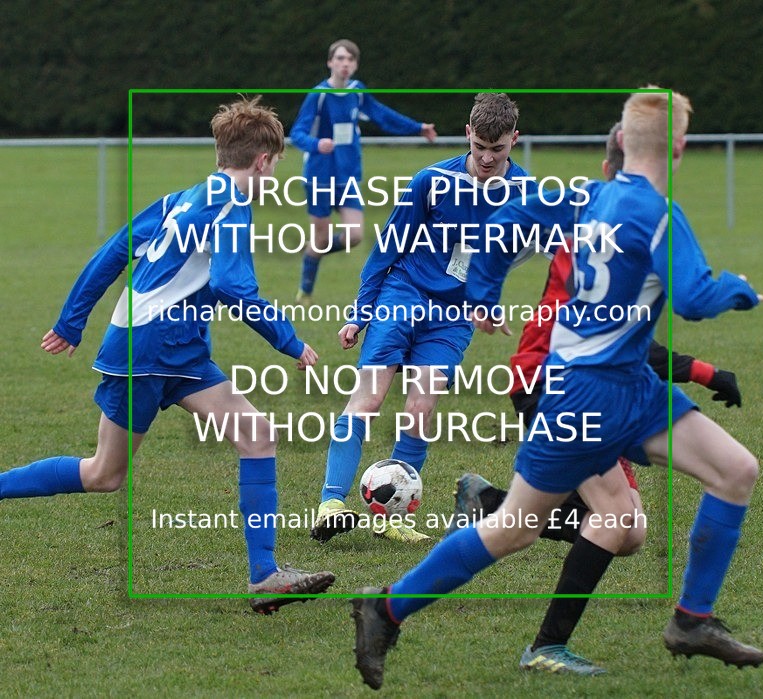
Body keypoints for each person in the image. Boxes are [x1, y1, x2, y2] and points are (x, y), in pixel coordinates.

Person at [350, 88, 763, 690]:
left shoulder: (583, 197)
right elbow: (698, 299)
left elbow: (502, 228)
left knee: (735, 471)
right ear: (678, 147)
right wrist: (741, 289)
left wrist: (482, 295)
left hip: (630, 388)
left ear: (621, 142)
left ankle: (691, 620)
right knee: (523, 527)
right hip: (585, 398)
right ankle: (387, 608)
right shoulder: (659, 215)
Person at [0, 96, 335, 615]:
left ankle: (265, 576)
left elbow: (114, 250)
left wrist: (72, 320)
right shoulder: (230, 208)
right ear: (264, 160)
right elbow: (232, 285)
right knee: (103, 475)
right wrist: (289, 340)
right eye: (276, 166)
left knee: (257, 434)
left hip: (178, 352)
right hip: (147, 350)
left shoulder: (183, 197)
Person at [445, 121, 745, 675]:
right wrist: (705, 371)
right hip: (549, 384)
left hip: (579, 384)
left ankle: (487, 506)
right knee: (616, 516)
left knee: (629, 533)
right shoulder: (593, 238)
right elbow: (614, 347)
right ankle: (544, 646)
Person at [309, 93, 528, 544]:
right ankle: (331, 501)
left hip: (452, 316)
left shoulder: (525, 194)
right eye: (480, 146)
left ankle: (391, 514)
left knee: (421, 409)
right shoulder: (431, 182)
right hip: (403, 293)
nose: (487, 158)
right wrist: (359, 314)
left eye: (498, 149)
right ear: (468, 133)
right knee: (369, 400)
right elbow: (385, 249)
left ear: (514, 140)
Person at [289, 39, 437, 304]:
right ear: (330, 62)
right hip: (319, 177)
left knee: (355, 235)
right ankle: (305, 290)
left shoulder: (358, 92)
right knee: (321, 238)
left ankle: (314, 250)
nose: (345, 64)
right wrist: (316, 144)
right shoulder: (319, 95)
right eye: (340, 59)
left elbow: (382, 115)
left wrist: (418, 127)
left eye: (350, 60)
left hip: (348, 177)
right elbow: (297, 132)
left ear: (355, 65)